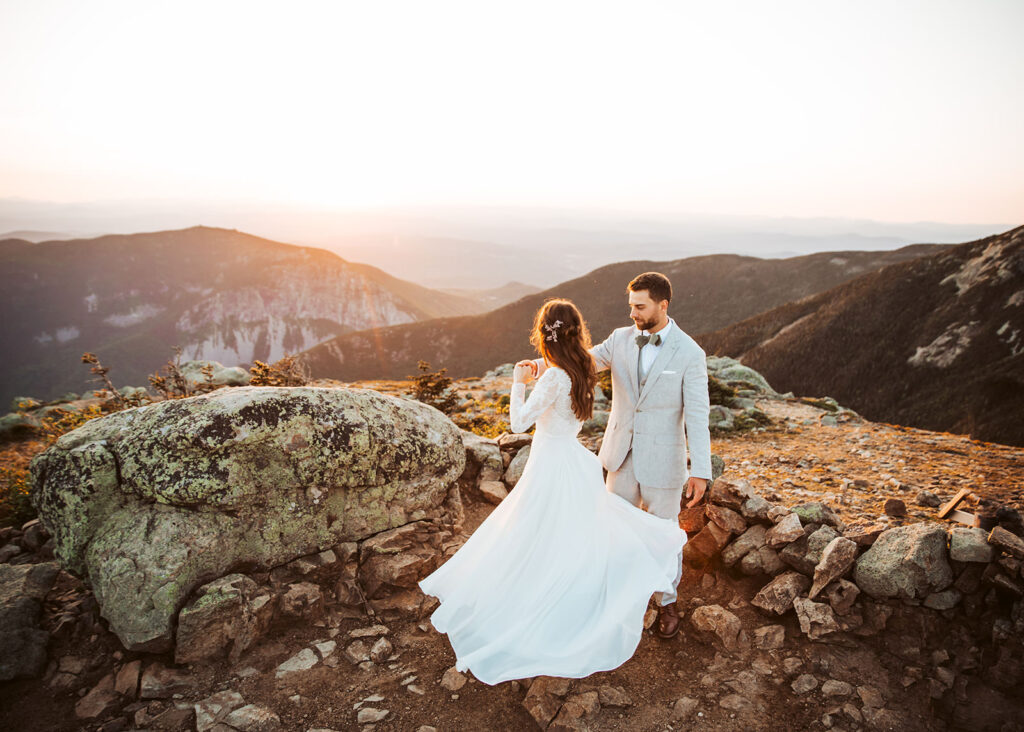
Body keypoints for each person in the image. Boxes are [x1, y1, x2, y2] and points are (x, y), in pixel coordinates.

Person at [418, 298, 686, 685]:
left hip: (550, 464)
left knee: (534, 533)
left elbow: (519, 422)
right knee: (566, 535)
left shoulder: (554, 377)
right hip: (574, 462)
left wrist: (518, 382)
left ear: (544, 334)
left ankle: (539, 606)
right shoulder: (580, 369)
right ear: (576, 331)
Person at [521, 272, 712, 639]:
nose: (633, 314)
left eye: (640, 307)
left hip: (664, 463)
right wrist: (539, 366)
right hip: (619, 456)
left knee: (664, 534)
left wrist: (700, 469)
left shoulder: (690, 353)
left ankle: (667, 601)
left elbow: (699, 415)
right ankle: (615, 599)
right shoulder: (620, 340)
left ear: (663, 305)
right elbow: (581, 361)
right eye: (631, 307)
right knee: (611, 529)